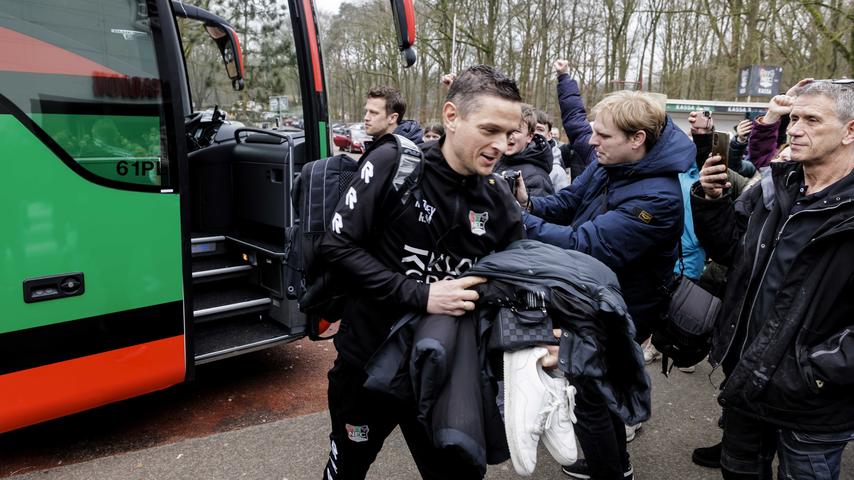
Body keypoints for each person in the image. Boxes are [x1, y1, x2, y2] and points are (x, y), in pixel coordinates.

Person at [319, 64, 525, 480]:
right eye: (489, 130)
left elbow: (516, 280)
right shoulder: (394, 162)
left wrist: (540, 338)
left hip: (444, 374)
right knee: (348, 466)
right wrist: (423, 295)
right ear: (451, 117)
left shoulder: (500, 200)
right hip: (366, 365)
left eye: (509, 133)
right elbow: (337, 247)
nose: (501, 144)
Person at [517, 59, 694, 480]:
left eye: (602, 134)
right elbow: (566, 206)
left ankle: (611, 471)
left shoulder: (659, 197)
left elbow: (588, 244)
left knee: (592, 395)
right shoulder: (609, 163)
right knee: (592, 391)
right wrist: (525, 204)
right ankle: (613, 464)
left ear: (637, 139)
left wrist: (515, 220)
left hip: (623, 307)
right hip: (592, 295)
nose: (590, 140)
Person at [691, 79, 854, 480]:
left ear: (850, 130)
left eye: (812, 120)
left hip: (812, 403)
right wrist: (712, 202)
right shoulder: (777, 186)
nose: (795, 129)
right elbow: (732, 254)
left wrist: (812, 375)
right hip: (747, 380)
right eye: (794, 118)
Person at [495, 104, 557, 197]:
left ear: (529, 136)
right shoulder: (494, 160)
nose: (509, 135)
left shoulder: (537, 179)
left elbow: (530, 210)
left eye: (516, 131)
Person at [535, 109, 572, 190]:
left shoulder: (556, 172)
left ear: (549, 135)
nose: (534, 133)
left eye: (540, 130)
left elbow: (562, 201)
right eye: (531, 128)